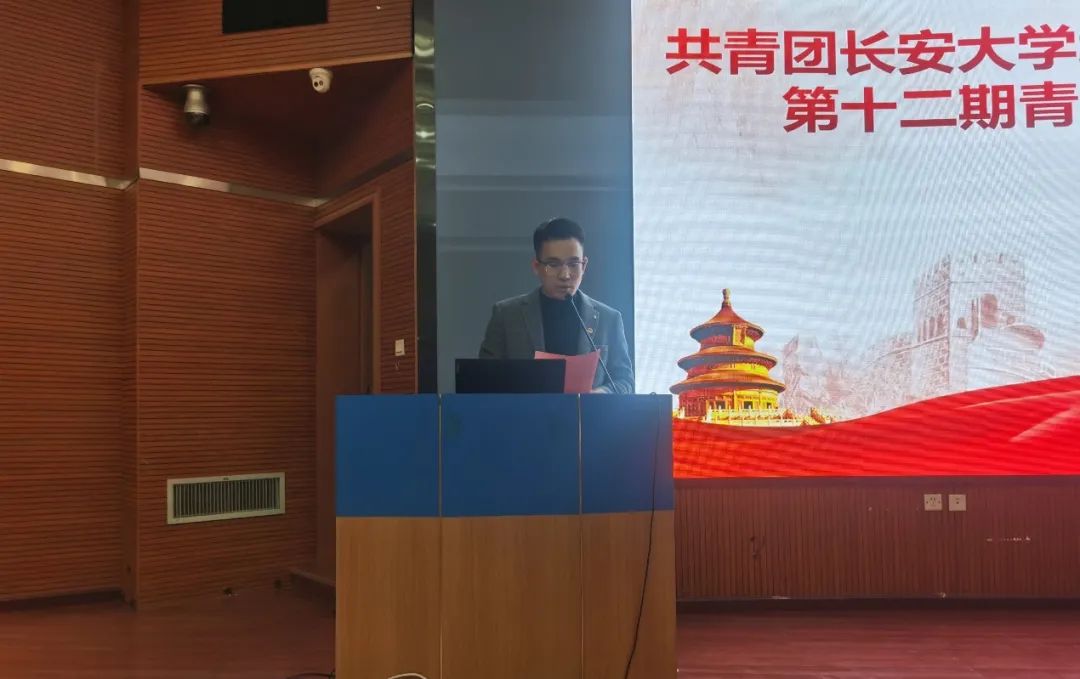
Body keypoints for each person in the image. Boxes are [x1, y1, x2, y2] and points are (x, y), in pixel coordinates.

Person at [479, 217, 635, 394]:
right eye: (553, 264)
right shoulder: (506, 315)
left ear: (584, 265)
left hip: (585, 412)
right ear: (536, 266)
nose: (565, 275)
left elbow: (625, 382)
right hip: (524, 411)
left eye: (573, 264)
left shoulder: (609, 319)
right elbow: (483, 380)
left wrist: (599, 394)